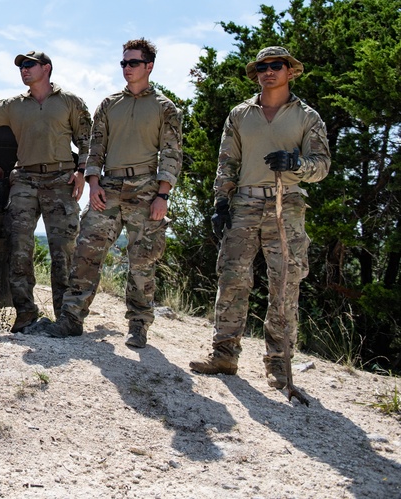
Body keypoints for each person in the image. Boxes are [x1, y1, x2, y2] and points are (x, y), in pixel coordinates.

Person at [190, 46, 330, 389]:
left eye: (276, 65)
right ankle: (224, 355)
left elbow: (322, 166)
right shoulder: (240, 114)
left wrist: (297, 164)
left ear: (290, 71)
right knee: (232, 279)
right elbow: (227, 163)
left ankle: (279, 365)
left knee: (285, 284)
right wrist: (220, 204)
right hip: (244, 205)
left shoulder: (307, 117)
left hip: (288, 206)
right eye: (263, 66)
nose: (269, 71)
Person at [0, 51, 91, 332]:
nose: (23, 70)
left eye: (29, 65)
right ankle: (25, 314)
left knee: (64, 250)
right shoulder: (14, 105)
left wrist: (82, 172)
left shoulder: (70, 102)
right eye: (21, 66)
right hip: (25, 179)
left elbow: (87, 141)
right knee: (18, 246)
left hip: (61, 180)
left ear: (46, 68)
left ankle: (67, 318)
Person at [54, 39, 182, 348]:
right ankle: (71, 319)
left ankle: (138, 325)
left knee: (142, 260)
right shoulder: (109, 105)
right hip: (108, 188)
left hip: (146, 189)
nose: (127, 68)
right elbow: (95, 149)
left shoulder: (165, 108)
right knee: (86, 251)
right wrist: (94, 183)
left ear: (148, 66)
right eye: (123, 63)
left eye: (133, 63)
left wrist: (162, 195)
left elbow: (172, 153)